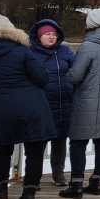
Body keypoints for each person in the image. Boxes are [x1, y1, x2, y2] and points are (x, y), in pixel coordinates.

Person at [0, 14, 58, 199]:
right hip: (32, 107)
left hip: (3, 108)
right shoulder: (23, 52)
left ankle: (1, 190)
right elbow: (42, 78)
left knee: (3, 149)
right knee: (35, 151)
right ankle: (28, 194)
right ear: (13, 31)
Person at [61, 8, 100, 199]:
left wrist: (67, 73)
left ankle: (76, 184)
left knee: (78, 142)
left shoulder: (87, 47)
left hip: (87, 100)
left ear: (90, 25)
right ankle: (96, 182)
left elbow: (75, 76)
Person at [28, 19, 75, 187]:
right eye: (47, 34)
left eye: (54, 34)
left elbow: (76, 70)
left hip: (64, 103)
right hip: (41, 103)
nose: (51, 37)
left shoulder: (65, 51)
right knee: (39, 142)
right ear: (39, 36)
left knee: (60, 140)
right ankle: (34, 177)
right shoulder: (30, 52)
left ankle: (58, 174)